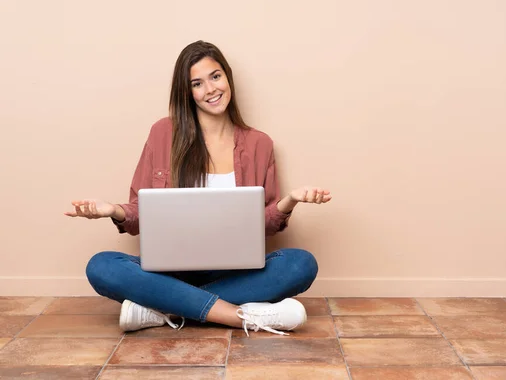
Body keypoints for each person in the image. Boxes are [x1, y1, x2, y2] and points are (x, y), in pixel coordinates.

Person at [65, 40, 331, 336]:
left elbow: (265, 224)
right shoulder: (162, 133)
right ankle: (240, 315)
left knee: (300, 264)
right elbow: (141, 214)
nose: (211, 90)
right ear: (187, 92)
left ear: (227, 77)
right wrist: (112, 210)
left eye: (215, 77)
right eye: (197, 83)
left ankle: (162, 306)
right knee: (102, 266)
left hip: (235, 271)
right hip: (170, 270)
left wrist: (289, 201)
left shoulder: (259, 144)